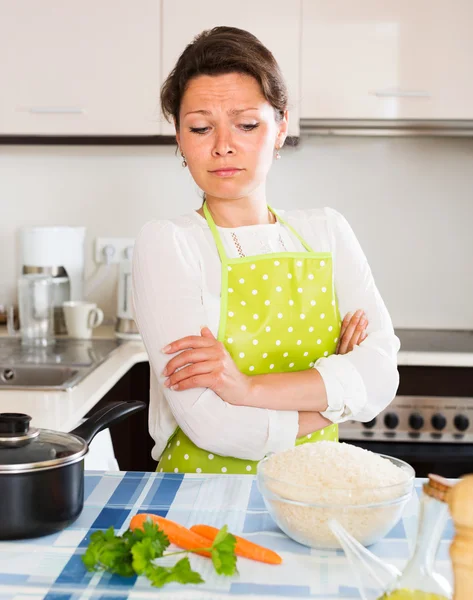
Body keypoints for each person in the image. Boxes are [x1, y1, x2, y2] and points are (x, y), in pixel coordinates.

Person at [132, 26, 400, 474]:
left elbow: (380, 377)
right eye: (200, 127)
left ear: (280, 128)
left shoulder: (327, 232)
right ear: (179, 138)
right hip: (198, 504)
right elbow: (210, 422)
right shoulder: (168, 244)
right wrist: (335, 400)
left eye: (247, 124)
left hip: (315, 493)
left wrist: (248, 389)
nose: (222, 146)